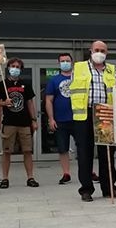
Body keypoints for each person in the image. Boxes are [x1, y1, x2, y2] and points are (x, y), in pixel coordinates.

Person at [70, 41, 116, 202]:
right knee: (84, 154)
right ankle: (86, 189)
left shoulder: (112, 70)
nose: (99, 53)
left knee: (107, 153)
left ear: (106, 53)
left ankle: (109, 188)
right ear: (90, 51)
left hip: (105, 113)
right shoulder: (79, 68)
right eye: (96, 50)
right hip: (84, 115)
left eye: (102, 51)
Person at [0, 58, 38, 189]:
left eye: (18, 67)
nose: (15, 68)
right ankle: (5, 178)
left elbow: (30, 103)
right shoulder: (2, 84)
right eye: (13, 66)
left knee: (27, 151)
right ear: (8, 67)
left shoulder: (25, 84)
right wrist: (4, 103)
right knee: (7, 152)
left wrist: (34, 120)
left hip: (24, 123)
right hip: (9, 123)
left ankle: (30, 177)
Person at [45, 53, 77, 185]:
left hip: (78, 118)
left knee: (83, 147)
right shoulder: (54, 80)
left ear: (72, 62)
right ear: (58, 63)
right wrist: (51, 119)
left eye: (67, 60)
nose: (65, 63)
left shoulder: (79, 78)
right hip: (60, 120)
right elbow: (48, 100)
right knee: (62, 148)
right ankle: (66, 173)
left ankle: (89, 171)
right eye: (62, 61)